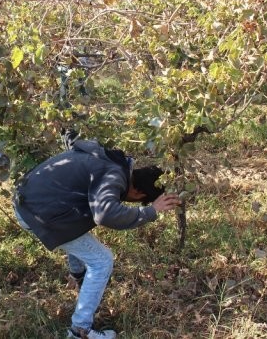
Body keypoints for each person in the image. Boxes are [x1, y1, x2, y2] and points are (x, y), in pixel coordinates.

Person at [13, 139, 180, 339]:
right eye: (139, 201)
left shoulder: (114, 163)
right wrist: (151, 211)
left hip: (31, 202)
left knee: (80, 231)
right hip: (37, 212)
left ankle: (79, 278)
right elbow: (106, 214)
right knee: (102, 260)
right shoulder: (114, 176)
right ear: (138, 193)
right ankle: (79, 331)